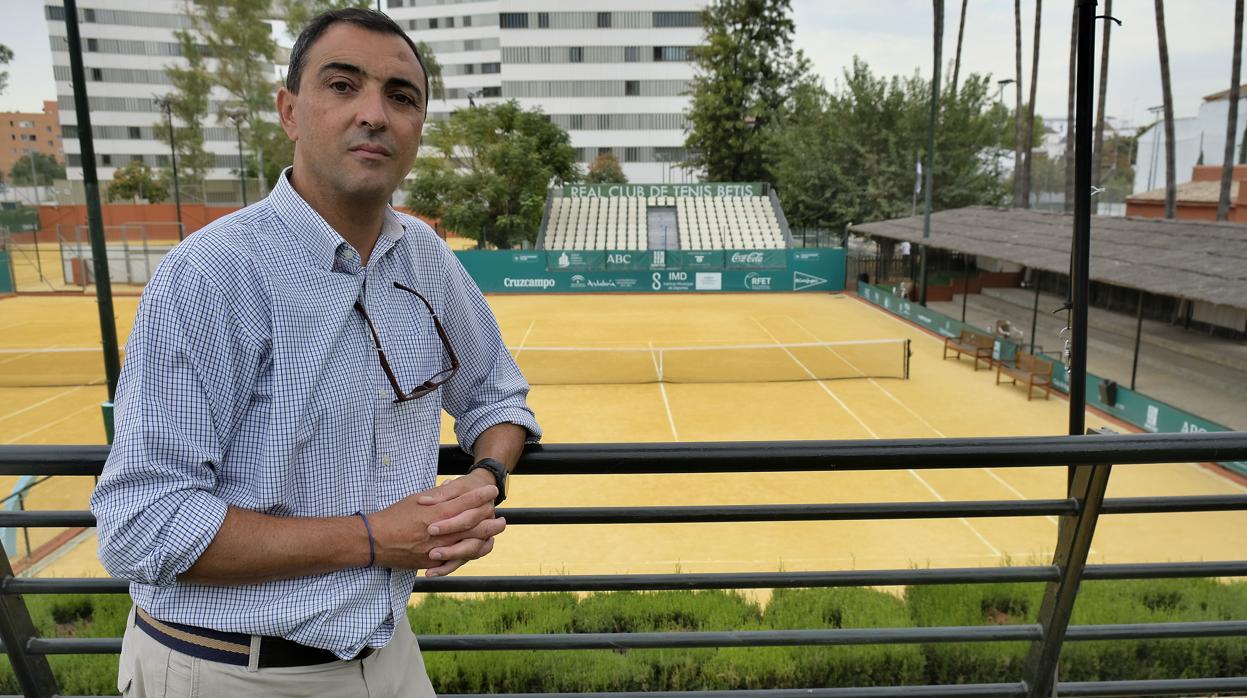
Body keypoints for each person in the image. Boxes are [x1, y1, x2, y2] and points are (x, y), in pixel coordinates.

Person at [90, 9, 539, 697]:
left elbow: (497, 396)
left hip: (385, 658)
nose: (374, 114)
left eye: (401, 96)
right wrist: (373, 539)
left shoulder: (423, 258)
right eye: (341, 84)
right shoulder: (213, 273)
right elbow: (143, 525)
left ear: (418, 126)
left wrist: (485, 477)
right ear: (289, 110)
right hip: (223, 670)